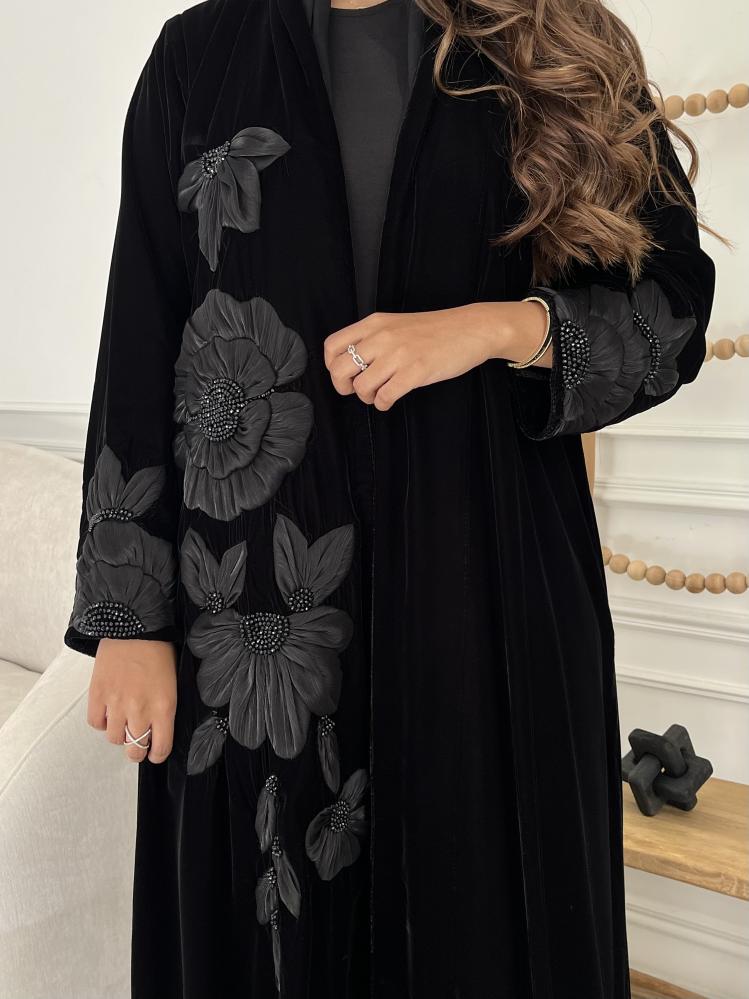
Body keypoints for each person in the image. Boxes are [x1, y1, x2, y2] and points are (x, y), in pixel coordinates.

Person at [64, 0, 717, 995]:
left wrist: (494, 327)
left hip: (489, 583)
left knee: (483, 913)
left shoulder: (547, 38)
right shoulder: (200, 55)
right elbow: (140, 333)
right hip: (247, 613)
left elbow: (668, 308)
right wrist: (128, 621)